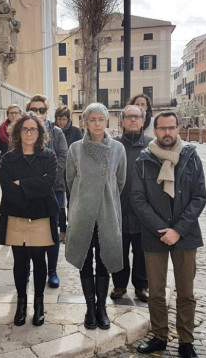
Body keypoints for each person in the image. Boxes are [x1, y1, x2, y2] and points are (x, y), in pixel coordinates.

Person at [132, 111, 206, 358]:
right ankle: (159, 337)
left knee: (186, 292)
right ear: (154, 131)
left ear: (178, 129)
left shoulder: (191, 157)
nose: (167, 133)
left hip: (185, 235)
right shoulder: (143, 160)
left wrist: (178, 230)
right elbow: (137, 199)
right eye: (162, 128)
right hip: (155, 235)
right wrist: (161, 229)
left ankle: (186, 341)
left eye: (171, 128)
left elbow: (199, 197)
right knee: (156, 292)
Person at [65, 103, 127, 330]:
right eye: (92, 119)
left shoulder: (118, 149)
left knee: (104, 259)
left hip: (108, 212)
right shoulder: (75, 149)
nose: (97, 123)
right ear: (85, 122)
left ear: (107, 121)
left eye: (101, 119)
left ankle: (102, 307)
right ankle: (89, 308)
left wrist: (105, 197)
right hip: (83, 212)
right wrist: (84, 199)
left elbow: (120, 181)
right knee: (85, 260)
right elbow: (70, 180)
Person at [0, 112, 59, 327]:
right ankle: (21, 303)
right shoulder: (8, 158)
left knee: (40, 261)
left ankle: (39, 305)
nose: (29, 133)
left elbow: (48, 184)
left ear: (40, 132)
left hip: (41, 216)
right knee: (20, 261)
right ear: (18, 132)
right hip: (16, 215)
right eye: (25, 129)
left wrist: (20, 184)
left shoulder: (48, 156)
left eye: (33, 129)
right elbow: (6, 188)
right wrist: (33, 184)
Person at [110, 105, 152, 302]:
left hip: (144, 210)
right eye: (129, 117)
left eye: (137, 117)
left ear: (143, 121)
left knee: (142, 251)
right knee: (119, 249)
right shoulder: (113, 145)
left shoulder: (152, 146)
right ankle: (119, 284)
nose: (133, 120)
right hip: (119, 207)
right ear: (122, 121)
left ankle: (141, 286)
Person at [26, 95, 68, 288]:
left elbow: (63, 158)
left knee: (51, 231)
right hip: (27, 192)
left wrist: (47, 181)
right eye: (34, 110)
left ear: (46, 112)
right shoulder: (23, 132)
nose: (38, 113)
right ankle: (26, 269)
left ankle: (52, 271)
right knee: (27, 231)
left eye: (41, 110)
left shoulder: (57, 132)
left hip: (53, 189)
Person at [54, 105, 82, 237]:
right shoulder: (52, 131)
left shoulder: (76, 132)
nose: (61, 122)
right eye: (59, 119)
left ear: (68, 119)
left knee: (72, 201)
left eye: (64, 119)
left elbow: (80, 151)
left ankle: (72, 229)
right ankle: (62, 230)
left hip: (72, 171)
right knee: (59, 203)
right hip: (58, 171)